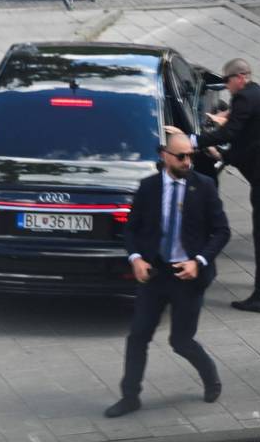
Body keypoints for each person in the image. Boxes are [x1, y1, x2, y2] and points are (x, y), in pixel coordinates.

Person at [105, 134, 230, 418]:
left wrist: (198, 261)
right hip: (156, 273)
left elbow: (221, 231)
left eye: (190, 156)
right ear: (165, 155)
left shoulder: (204, 186)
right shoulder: (149, 188)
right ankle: (130, 396)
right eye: (181, 156)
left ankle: (211, 378)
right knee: (137, 336)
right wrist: (135, 258)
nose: (187, 162)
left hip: (187, 276)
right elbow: (132, 228)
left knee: (181, 341)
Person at [168, 58, 260, 314]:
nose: (227, 87)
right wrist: (226, 156)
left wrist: (190, 141)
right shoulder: (258, 94)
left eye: (228, 81)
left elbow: (229, 133)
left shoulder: (245, 98)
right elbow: (249, 137)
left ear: (239, 77)